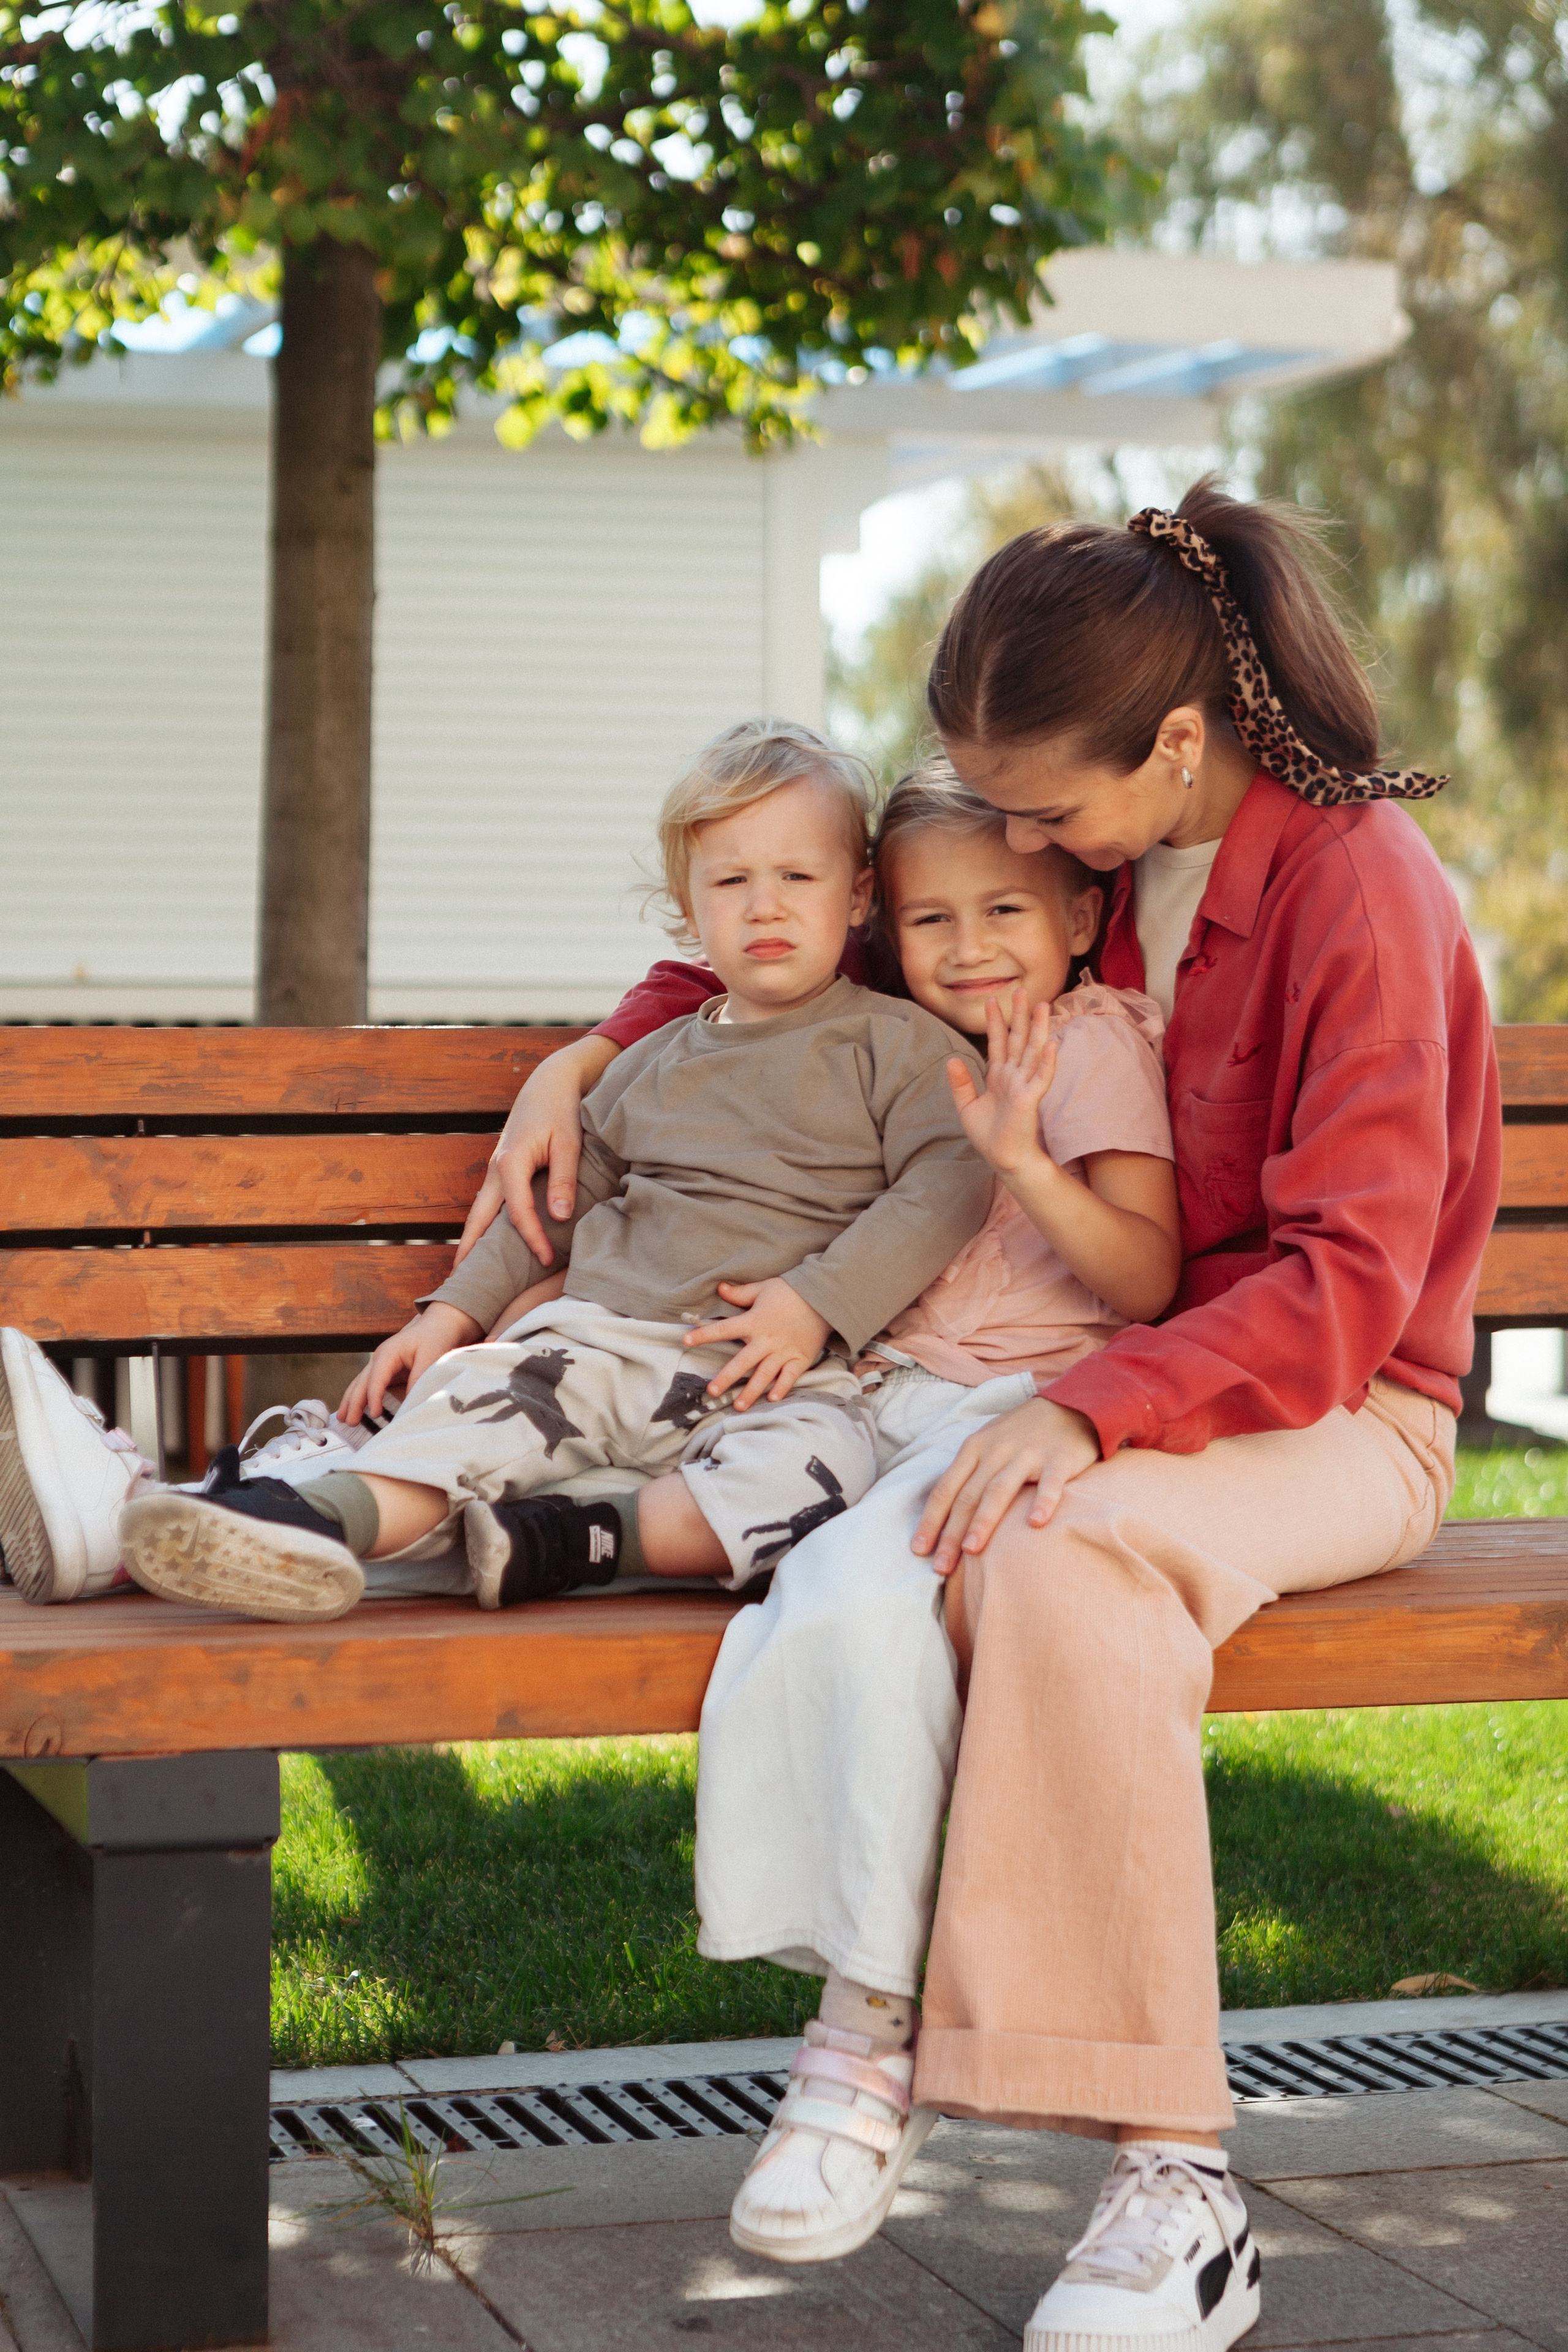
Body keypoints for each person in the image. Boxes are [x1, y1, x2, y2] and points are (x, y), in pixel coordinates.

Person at [456, 481, 1501, 2352]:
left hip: (1350, 1411)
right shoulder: (1103, 869)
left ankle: (1172, 2181)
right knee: (959, 1543)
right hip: (1141, 1393)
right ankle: (883, 2051)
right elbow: (798, 938)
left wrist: (1098, 1408)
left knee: (1055, 1545)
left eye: (1042, 811)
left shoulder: (1356, 893)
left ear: (1175, 748)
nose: (1011, 841)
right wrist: (590, 1051)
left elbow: (1350, 1287)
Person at [91, 718, 997, 1623]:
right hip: (599, 1344)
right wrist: (452, 1314)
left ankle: (569, 1540)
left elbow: (951, 1180)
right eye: (732, 881)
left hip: (775, 1370)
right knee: (477, 1401)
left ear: (857, 895)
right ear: (690, 908)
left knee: (822, 1476)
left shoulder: (901, 1046)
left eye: (798, 876)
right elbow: (556, 1208)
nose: (766, 906)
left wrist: (814, 1305)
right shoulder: (650, 1063)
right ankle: (306, 1523)